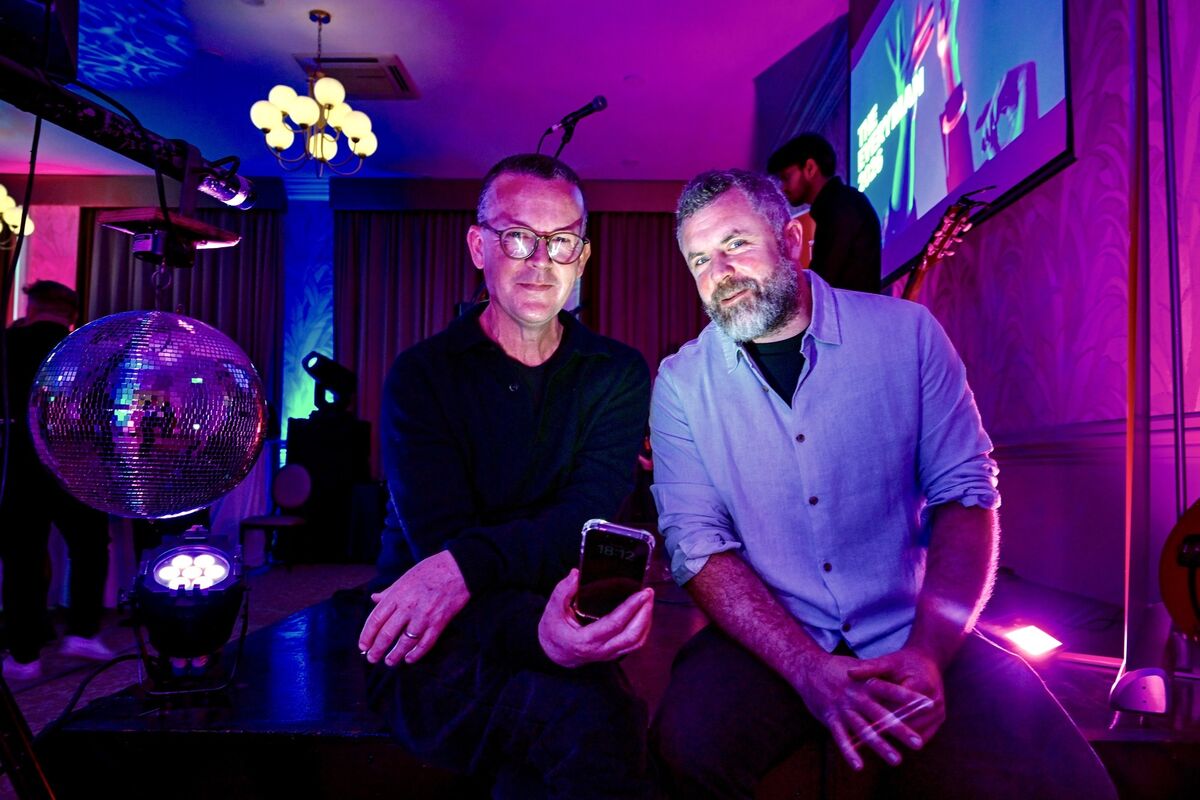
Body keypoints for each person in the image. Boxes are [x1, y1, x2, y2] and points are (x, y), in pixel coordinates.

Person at [648, 169, 1116, 799]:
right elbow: (696, 544)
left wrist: (930, 652)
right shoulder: (680, 383)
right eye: (699, 260)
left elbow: (965, 495)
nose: (719, 272)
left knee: (1073, 782)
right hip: (772, 637)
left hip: (911, 623)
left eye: (735, 243)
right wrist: (806, 668)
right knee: (680, 747)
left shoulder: (909, 335)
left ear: (792, 238)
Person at [358, 154, 656, 798]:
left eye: (561, 241)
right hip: (430, 631)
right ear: (478, 246)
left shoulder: (618, 373)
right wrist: (524, 623)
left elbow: (586, 518)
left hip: (557, 611)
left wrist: (463, 566)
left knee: (600, 727)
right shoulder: (422, 376)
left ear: (582, 256)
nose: (539, 260)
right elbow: (435, 542)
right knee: (588, 724)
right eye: (518, 236)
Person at [1, 280, 115, 680]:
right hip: (73, 460)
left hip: (16, 460)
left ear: (32, 308)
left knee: (22, 557)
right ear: (71, 314)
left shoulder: (7, 346)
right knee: (89, 546)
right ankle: (82, 632)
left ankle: (24, 654)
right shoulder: (83, 350)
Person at [767, 132, 882, 293]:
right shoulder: (843, 202)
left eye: (787, 177)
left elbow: (824, 282)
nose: (783, 187)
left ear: (810, 168)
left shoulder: (841, 204)